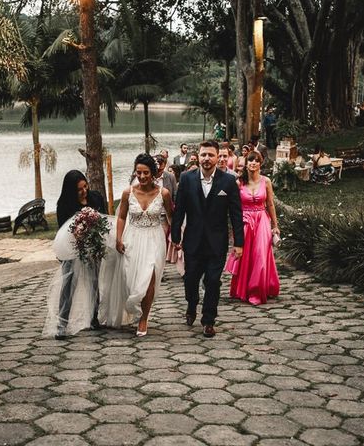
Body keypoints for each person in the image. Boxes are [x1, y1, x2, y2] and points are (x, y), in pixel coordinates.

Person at [171, 140, 244, 338]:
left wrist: (239, 243)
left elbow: (236, 214)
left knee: (213, 281)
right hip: (193, 241)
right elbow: (179, 210)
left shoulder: (228, 182)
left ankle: (208, 320)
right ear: (199, 156)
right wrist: (175, 235)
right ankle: (192, 303)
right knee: (190, 280)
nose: (207, 159)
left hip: (217, 242)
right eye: (203, 155)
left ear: (219, 157)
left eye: (211, 155)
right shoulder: (186, 179)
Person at [116, 153, 174, 337]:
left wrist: (177, 239)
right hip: (132, 238)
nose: (141, 177)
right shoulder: (128, 193)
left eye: (146, 173)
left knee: (150, 278)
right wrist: (118, 238)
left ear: (154, 173)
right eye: (138, 172)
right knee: (131, 279)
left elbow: (172, 217)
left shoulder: (163, 194)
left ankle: (144, 318)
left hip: (154, 239)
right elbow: (122, 216)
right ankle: (133, 309)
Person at [44, 170, 107, 338]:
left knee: (93, 282)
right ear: (72, 190)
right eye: (80, 189)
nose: (84, 191)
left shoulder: (95, 198)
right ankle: (62, 324)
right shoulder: (64, 204)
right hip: (72, 247)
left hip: (92, 246)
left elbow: (104, 219)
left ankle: (94, 318)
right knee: (68, 284)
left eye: (85, 186)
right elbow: (62, 230)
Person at [225, 151, 280, 305]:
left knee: (261, 254)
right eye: (250, 161)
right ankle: (243, 288)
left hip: (262, 218)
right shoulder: (238, 183)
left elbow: (270, 204)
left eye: (256, 161)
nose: (253, 163)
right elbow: (233, 205)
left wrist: (275, 225)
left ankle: (257, 290)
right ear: (246, 164)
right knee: (246, 255)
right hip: (246, 220)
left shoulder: (266, 181)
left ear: (260, 164)